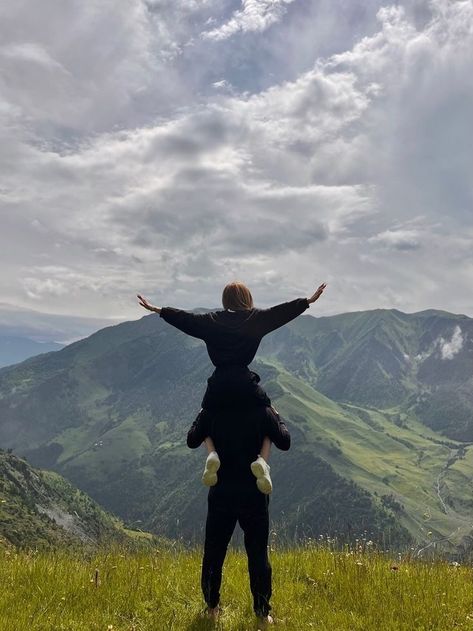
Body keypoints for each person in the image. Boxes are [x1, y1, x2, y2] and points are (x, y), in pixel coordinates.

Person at [137, 281, 327, 494]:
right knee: (269, 413)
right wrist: (307, 302)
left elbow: (185, 319)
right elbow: (279, 313)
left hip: (218, 386)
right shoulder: (255, 320)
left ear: (225, 300)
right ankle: (263, 461)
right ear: (247, 298)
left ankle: (211, 454)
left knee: (204, 416)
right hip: (246, 384)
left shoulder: (211, 321)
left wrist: (158, 310)